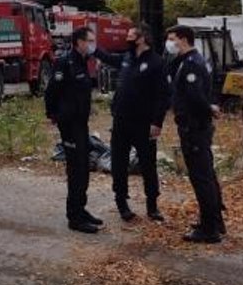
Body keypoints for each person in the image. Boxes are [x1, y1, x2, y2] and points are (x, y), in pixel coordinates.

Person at [94, 23, 171, 222]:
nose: (127, 38)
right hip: (121, 121)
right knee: (119, 164)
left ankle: (152, 205)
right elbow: (110, 58)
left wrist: (158, 122)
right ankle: (122, 203)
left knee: (148, 165)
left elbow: (164, 95)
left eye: (130, 35)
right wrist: (94, 49)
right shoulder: (127, 58)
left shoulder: (157, 62)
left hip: (144, 123)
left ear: (142, 38)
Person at [166, 25, 224, 243]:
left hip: (194, 126)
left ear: (183, 39)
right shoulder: (188, 61)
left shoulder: (192, 64)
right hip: (196, 125)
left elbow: (195, 96)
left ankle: (209, 229)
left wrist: (209, 109)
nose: (169, 43)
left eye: (172, 39)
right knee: (206, 174)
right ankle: (214, 220)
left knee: (201, 177)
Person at [45, 26, 103, 233]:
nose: (91, 44)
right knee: (76, 169)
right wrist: (52, 115)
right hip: (69, 124)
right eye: (89, 40)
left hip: (80, 122)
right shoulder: (64, 62)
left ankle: (81, 208)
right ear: (79, 41)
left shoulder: (82, 61)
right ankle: (74, 217)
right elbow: (52, 90)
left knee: (84, 166)